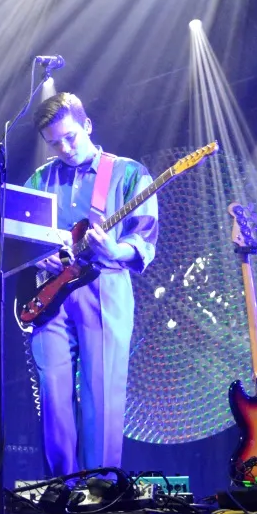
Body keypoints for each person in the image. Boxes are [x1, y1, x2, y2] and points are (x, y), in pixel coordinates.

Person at [24, 92, 160, 476]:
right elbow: (22, 236)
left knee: (101, 391)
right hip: (50, 294)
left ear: (87, 126)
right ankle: (62, 484)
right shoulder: (38, 178)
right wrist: (36, 256)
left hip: (105, 285)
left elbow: (144, 239)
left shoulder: (128, 172)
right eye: (54, 143)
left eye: (70, 137)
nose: (64, 148)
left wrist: (113, 248)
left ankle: (99, 487)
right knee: (53, 393)